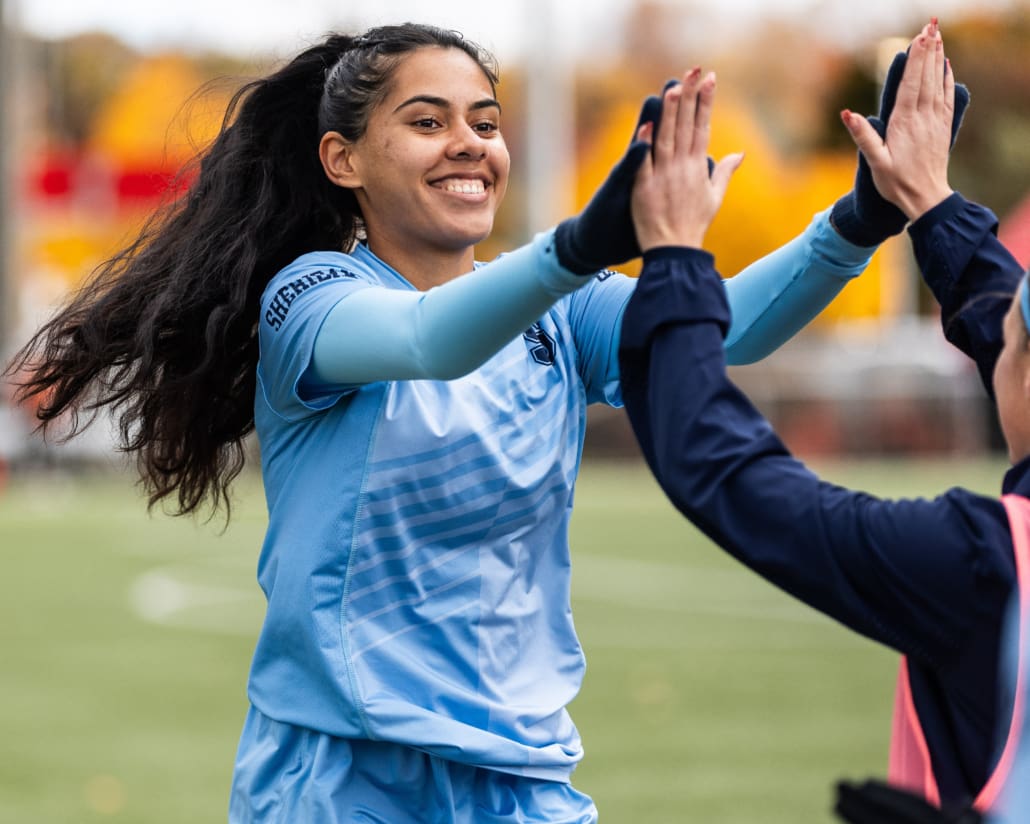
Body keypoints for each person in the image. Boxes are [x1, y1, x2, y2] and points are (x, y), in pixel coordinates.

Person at [6, 22, 891, 822]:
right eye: (427, 122)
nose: (469, 144)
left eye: (486, 122)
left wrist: (859, 222)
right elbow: (429, 340)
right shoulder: (312, 299)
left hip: (522, 775)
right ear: (343, 159)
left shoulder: (558, 308)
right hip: (341, 782)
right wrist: (578, 244)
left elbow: (721, 329)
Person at [618, 19, 1030, 818]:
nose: (993, 340)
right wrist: (929, 202)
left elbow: (730, 477)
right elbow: (1000, 309)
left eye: (1008, 342)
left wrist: (672, 256)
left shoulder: (987, 565)